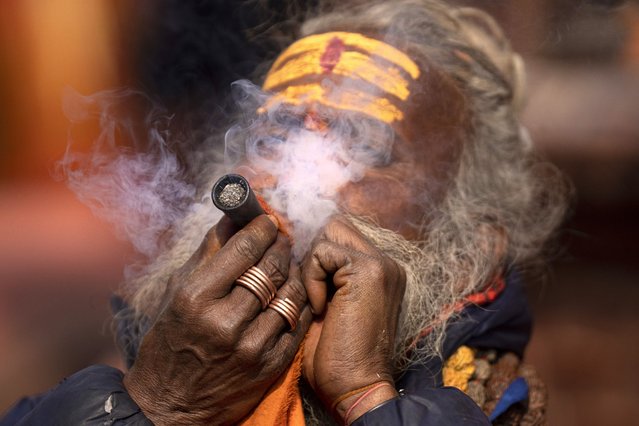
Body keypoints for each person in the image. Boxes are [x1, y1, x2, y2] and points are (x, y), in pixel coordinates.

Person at [1, 0, 568, 425]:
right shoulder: (139, 361)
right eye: (273, 137)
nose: (296, 178)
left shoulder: (486, 398)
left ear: (472, 248)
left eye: (363, 148)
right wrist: (154, 401)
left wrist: (364, 395)